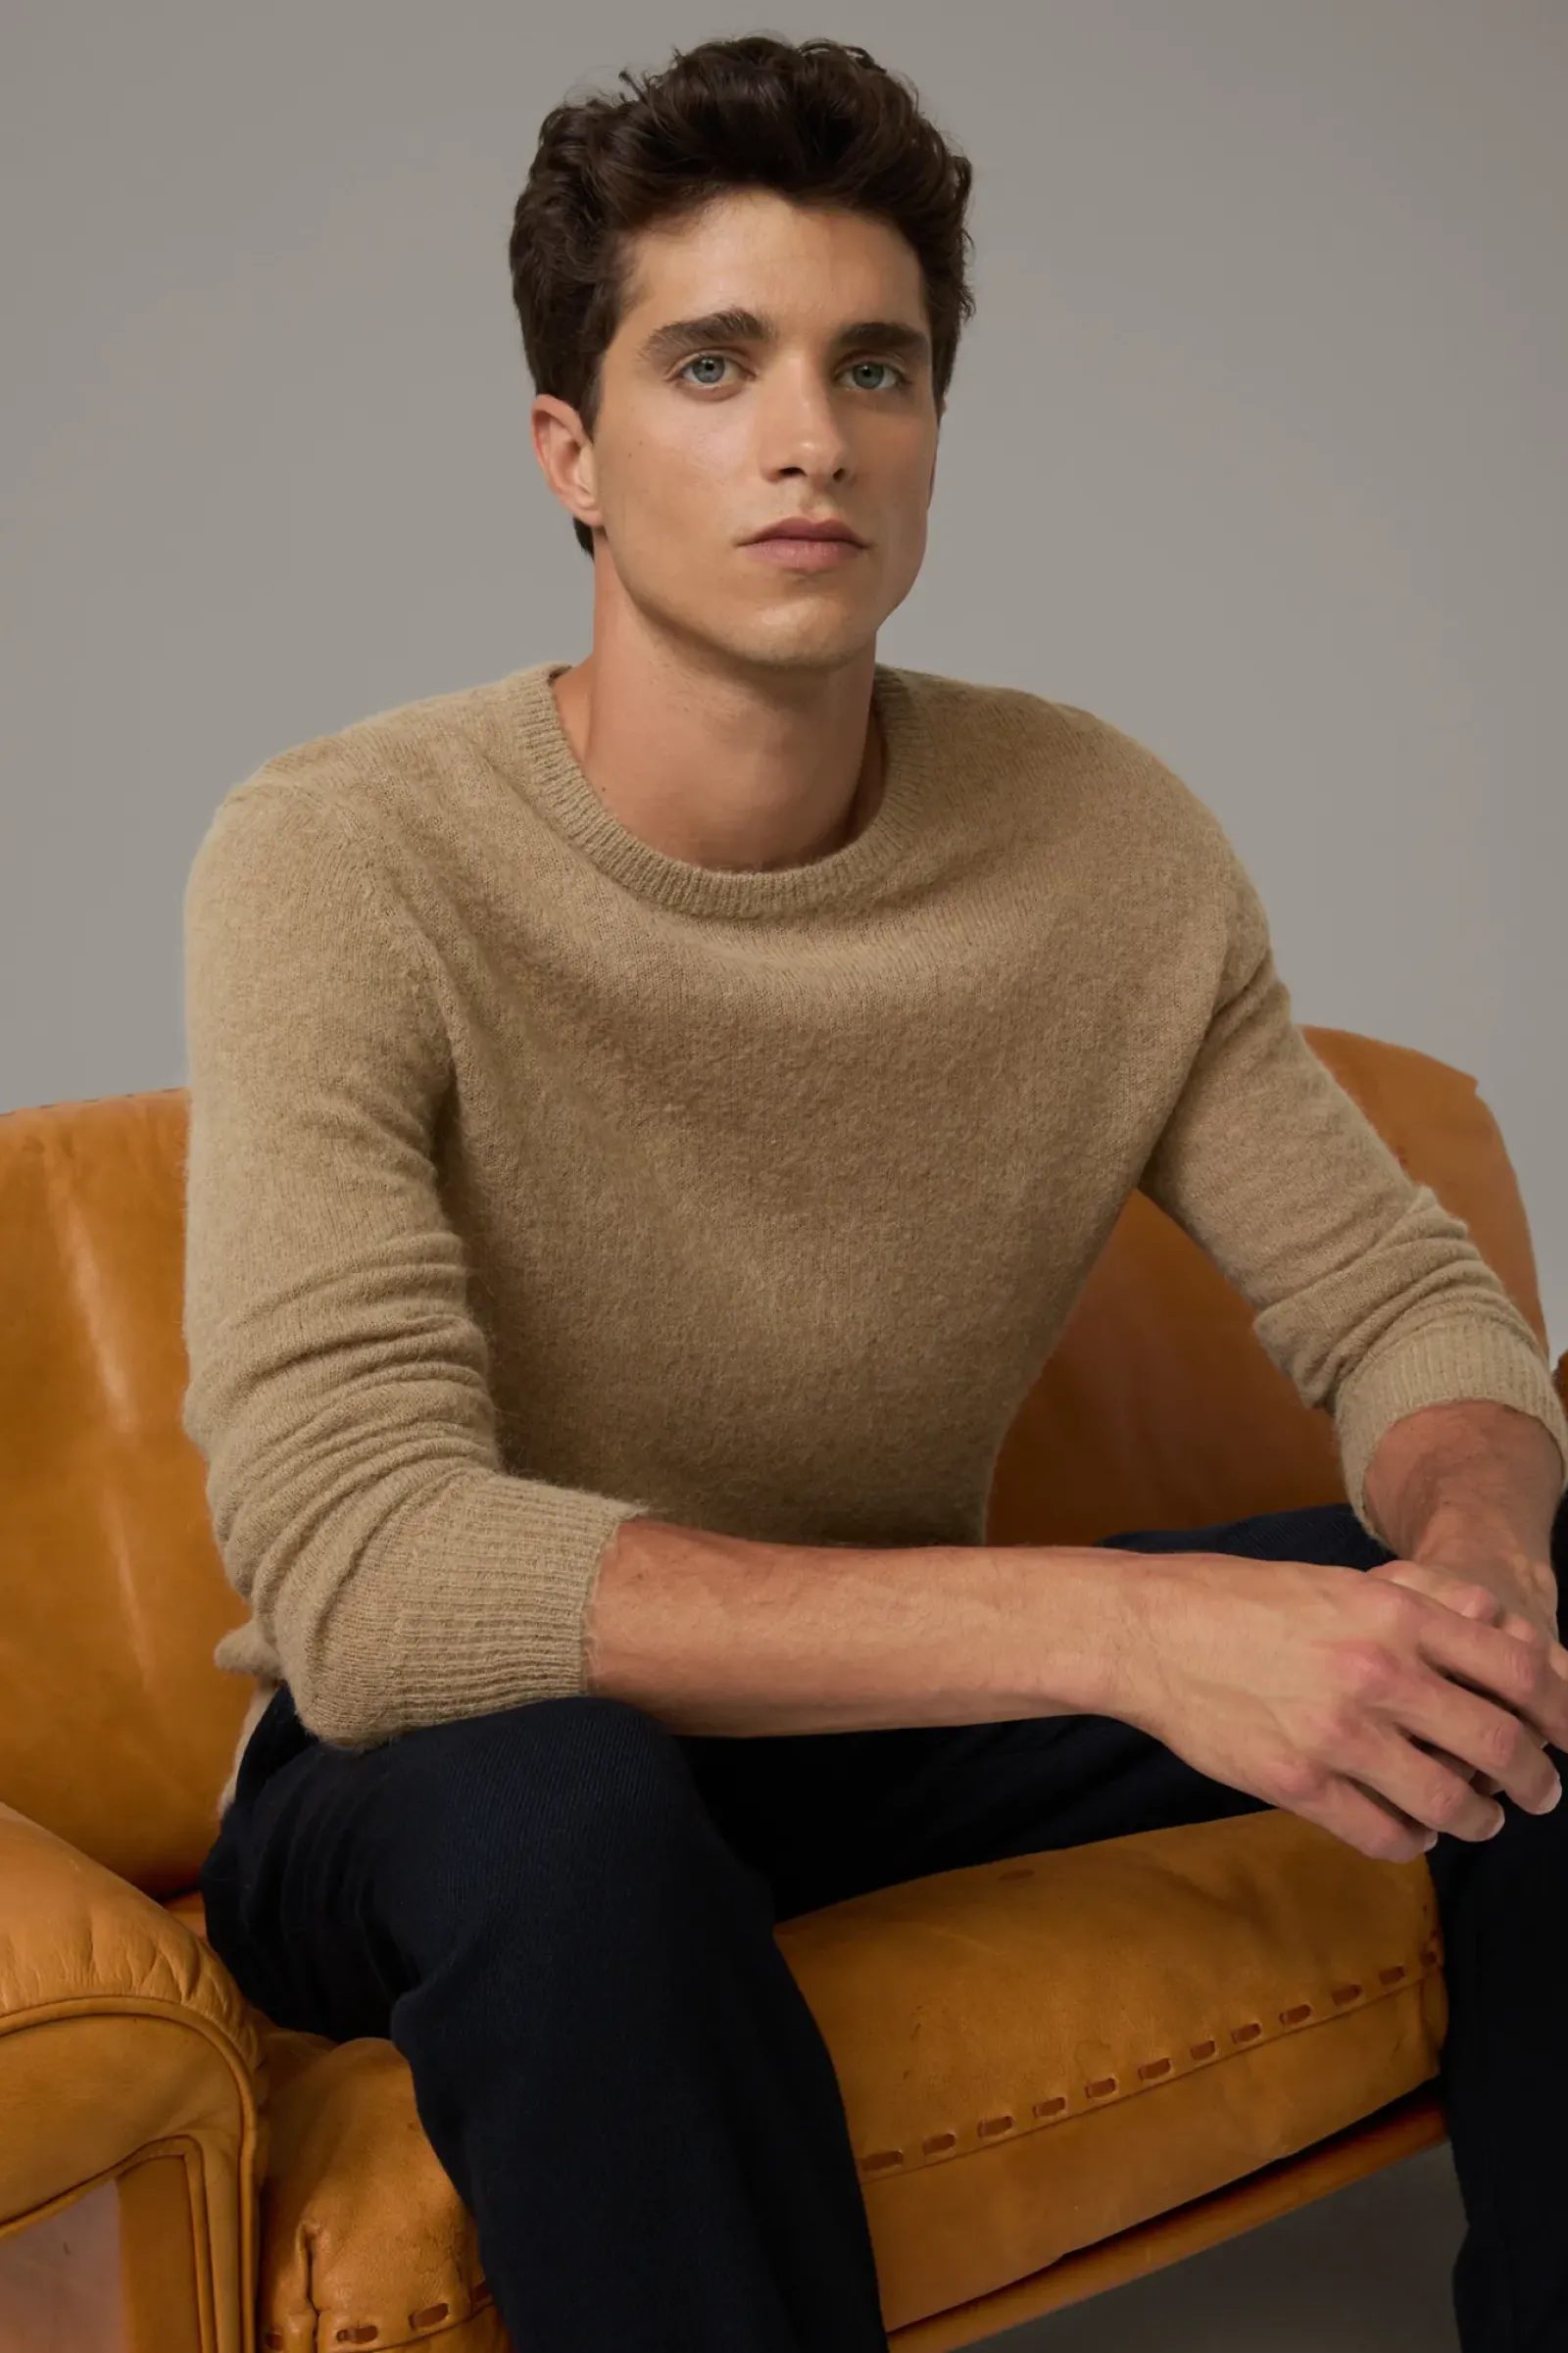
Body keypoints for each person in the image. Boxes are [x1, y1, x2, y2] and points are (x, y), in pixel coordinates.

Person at [185, 32, 1568, 2353]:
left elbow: (1395, 1305)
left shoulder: (1096, 840)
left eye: (874, 366)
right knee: (567, 1819)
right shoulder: (341, 857)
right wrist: (1113, 1631)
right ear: (569, 454)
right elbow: (362, 1568)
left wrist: (1480, 1566)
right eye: (709, 364)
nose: (810, 436)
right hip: (430, 1773)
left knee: (1546, 1616)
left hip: (867, 1716)